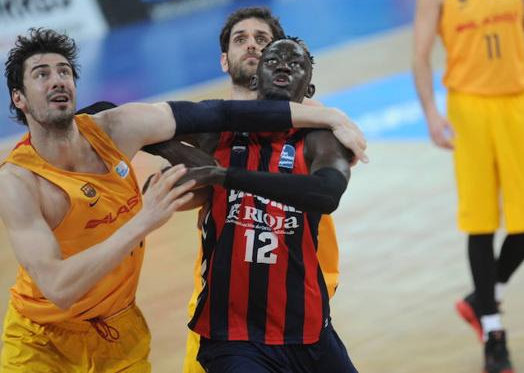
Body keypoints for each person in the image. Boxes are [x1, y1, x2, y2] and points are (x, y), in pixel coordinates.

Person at [0, 27, 366, 372]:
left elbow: (215, 112)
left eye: (64, 71)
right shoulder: (18, 181)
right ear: (18, 98)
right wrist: (145, 219)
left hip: (119, 327)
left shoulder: (118, 129)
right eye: (42, 74)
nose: (57, 80)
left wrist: (329, 115)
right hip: (41, 339)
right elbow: (59, 288)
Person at [156, 36, 358, 373]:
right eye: (273, 59)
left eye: (296, 65)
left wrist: (226, 176)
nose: (283, 65)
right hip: (233, 336)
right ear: (253, 78)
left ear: (308, 90)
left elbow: (327, 194)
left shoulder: (319, 138)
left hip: (309, 332)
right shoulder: (217, 132)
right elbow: (138, 126)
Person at [412, 0, 524, 372]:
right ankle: (493, 332)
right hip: (470, 107)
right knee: (480, 220)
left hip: (518, 103)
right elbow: (420, 55)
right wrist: (431, 112)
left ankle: (481, 299)